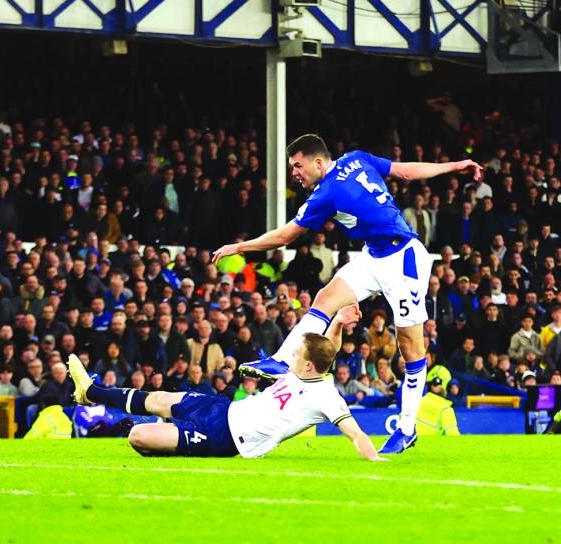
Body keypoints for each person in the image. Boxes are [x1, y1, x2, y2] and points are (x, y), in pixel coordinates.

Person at [211, 133, 481, 454]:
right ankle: (282, 360)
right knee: (326, 298)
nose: (295, 173)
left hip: (404, 259)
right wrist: (455, 166)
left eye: (298, 166)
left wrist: (239, 246)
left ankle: (407, 429)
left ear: (318, 162)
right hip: (373, 255)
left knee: (410, 346)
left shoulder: (327, 192)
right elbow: (405, 172)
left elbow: (285, 237)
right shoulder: (357, 158)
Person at [67, 305, 384, 460]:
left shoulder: (327, 397)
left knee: (138, 435)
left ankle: (168, 443)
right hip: (225, 409)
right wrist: (340, 321)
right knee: (160, 399)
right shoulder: (308, 367)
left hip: (227, 437)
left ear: (309, 364)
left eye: (298, 353)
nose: (292, 354)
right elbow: (330, 348)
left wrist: (375, 459)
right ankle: (90, 392)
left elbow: (355, 434)